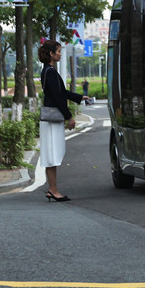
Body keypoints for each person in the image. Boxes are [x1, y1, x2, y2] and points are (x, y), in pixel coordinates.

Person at [38, 39, 83, 202]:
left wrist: (79, 97)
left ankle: (53, 189)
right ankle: (53, 190)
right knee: (52, 155)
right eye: (58, 51)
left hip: (50, 120)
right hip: (52, 120)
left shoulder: (47, 70)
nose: (60, 54)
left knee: (51, 154)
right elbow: (58, 97)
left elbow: (61, 92)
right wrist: (69, 117)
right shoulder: (50, 72)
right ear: (51, 54)